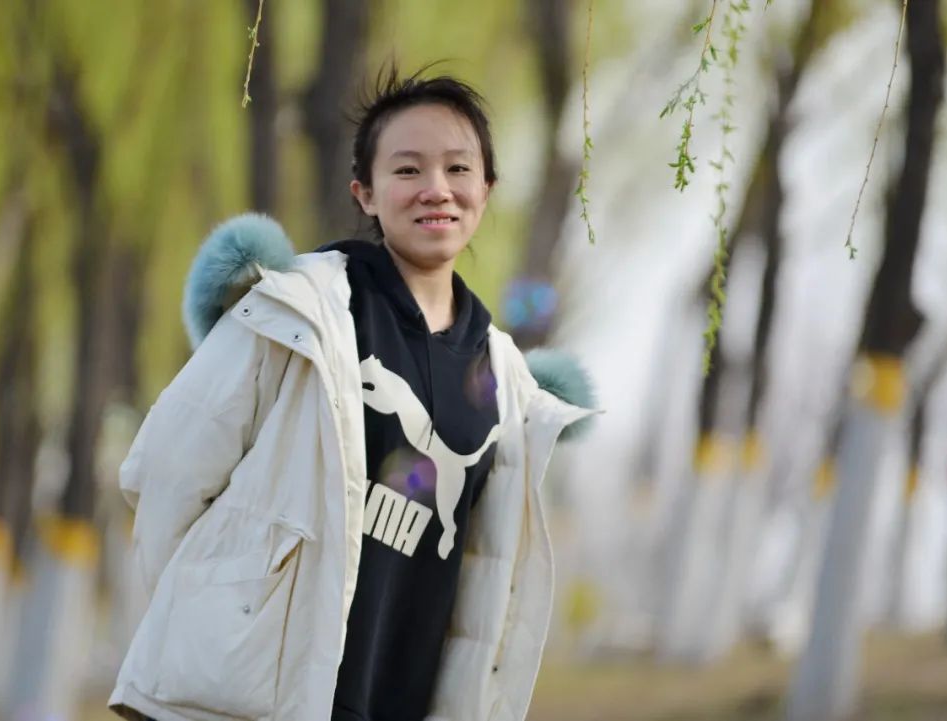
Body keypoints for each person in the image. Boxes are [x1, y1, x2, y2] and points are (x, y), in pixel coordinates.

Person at [108, 66, 597, 721]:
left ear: (486, 189)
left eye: (458, 168)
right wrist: (214, 630)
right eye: (407, 169)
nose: (436, 188)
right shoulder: (292, 314)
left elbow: (484, 578)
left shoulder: (504, 380)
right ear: (364, 193)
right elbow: (168, 470)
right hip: (254, 704)